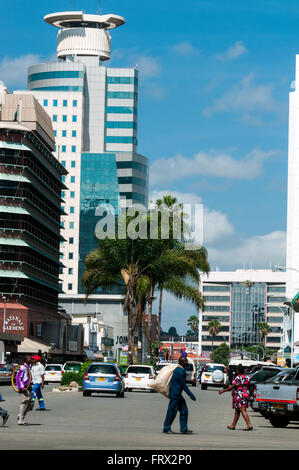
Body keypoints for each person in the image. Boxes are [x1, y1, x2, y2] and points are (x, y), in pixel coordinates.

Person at [163, 356, 196, 434]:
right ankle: (166, 428)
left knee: (184, 411)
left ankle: (184, 428)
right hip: (175, 394)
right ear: (182, 362)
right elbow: (183, 385)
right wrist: (191, 395)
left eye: (187, 361)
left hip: (178, 394)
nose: (187, 362)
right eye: (185, 361)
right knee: (172, 412)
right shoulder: (179, 371)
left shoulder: (180, 370)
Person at [218, 364, 253, 431]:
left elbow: (232, 387)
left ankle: (249, 425)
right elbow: (251, 386)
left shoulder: (238, 377)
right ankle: (233, 425)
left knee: (243, 410)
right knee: (237, 410)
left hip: (240, 395)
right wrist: (250, 394)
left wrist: (223, 391)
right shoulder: (247, 377)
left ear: (238, 370)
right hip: (245, 394)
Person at [16, 355, 33, 425]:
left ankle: (21, 415)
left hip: (28, 386)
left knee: (30, 403)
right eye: (30, 358)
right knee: (24, 402)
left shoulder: (29, 367)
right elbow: (18, 377)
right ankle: (20, 419)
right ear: (26, 360)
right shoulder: (23, 367)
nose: (31, 359)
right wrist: (22, 387)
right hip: (23, 387)